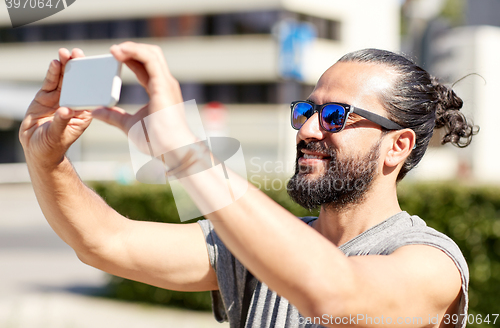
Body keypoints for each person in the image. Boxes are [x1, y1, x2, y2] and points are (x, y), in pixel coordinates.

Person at [19, 42, 475, 328]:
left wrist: (184, 149)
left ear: (398, 146)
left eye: (335, 115)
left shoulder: (431, 262)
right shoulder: (260, 244)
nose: (309, 129)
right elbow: (106, 243)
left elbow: (334, 295)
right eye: (305, 111)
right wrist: (45, 160)